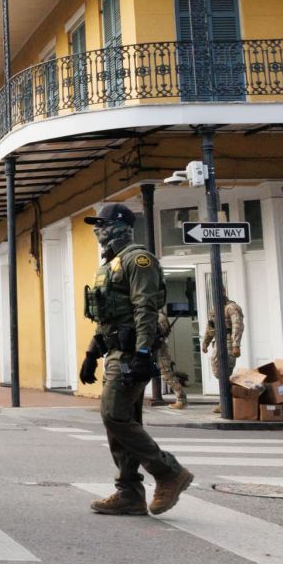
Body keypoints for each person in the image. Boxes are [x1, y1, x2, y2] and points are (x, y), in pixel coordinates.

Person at [80, 203, 192, 516]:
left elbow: (145, 308)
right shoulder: (109, 264)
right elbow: (107, 316)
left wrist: (144, 352)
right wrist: (92, 351)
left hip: (132, 352)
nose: (97, 229)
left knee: (114, 415)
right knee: (120, 420)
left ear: (120, 225)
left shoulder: (137, 259)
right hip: (115, 350)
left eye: (101, 223)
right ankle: (128, 492)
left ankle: (168, 472)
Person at [202, 293, 244, 413]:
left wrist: (236, 345)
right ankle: (230, 395)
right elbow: (210, 328)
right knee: (218, 371)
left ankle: (226, 401)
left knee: (225, 370)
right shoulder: (214, 310)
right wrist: (205, 343)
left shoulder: (232, 307)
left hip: (229, 341)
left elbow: (238, 326)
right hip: (218, 341)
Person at [156, 311, 188, 410]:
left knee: (167, 375)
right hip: (152, 349)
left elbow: (162, 333)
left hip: (159, 349)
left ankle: (181, 399)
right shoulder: (153, 315)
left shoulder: (159, 317)